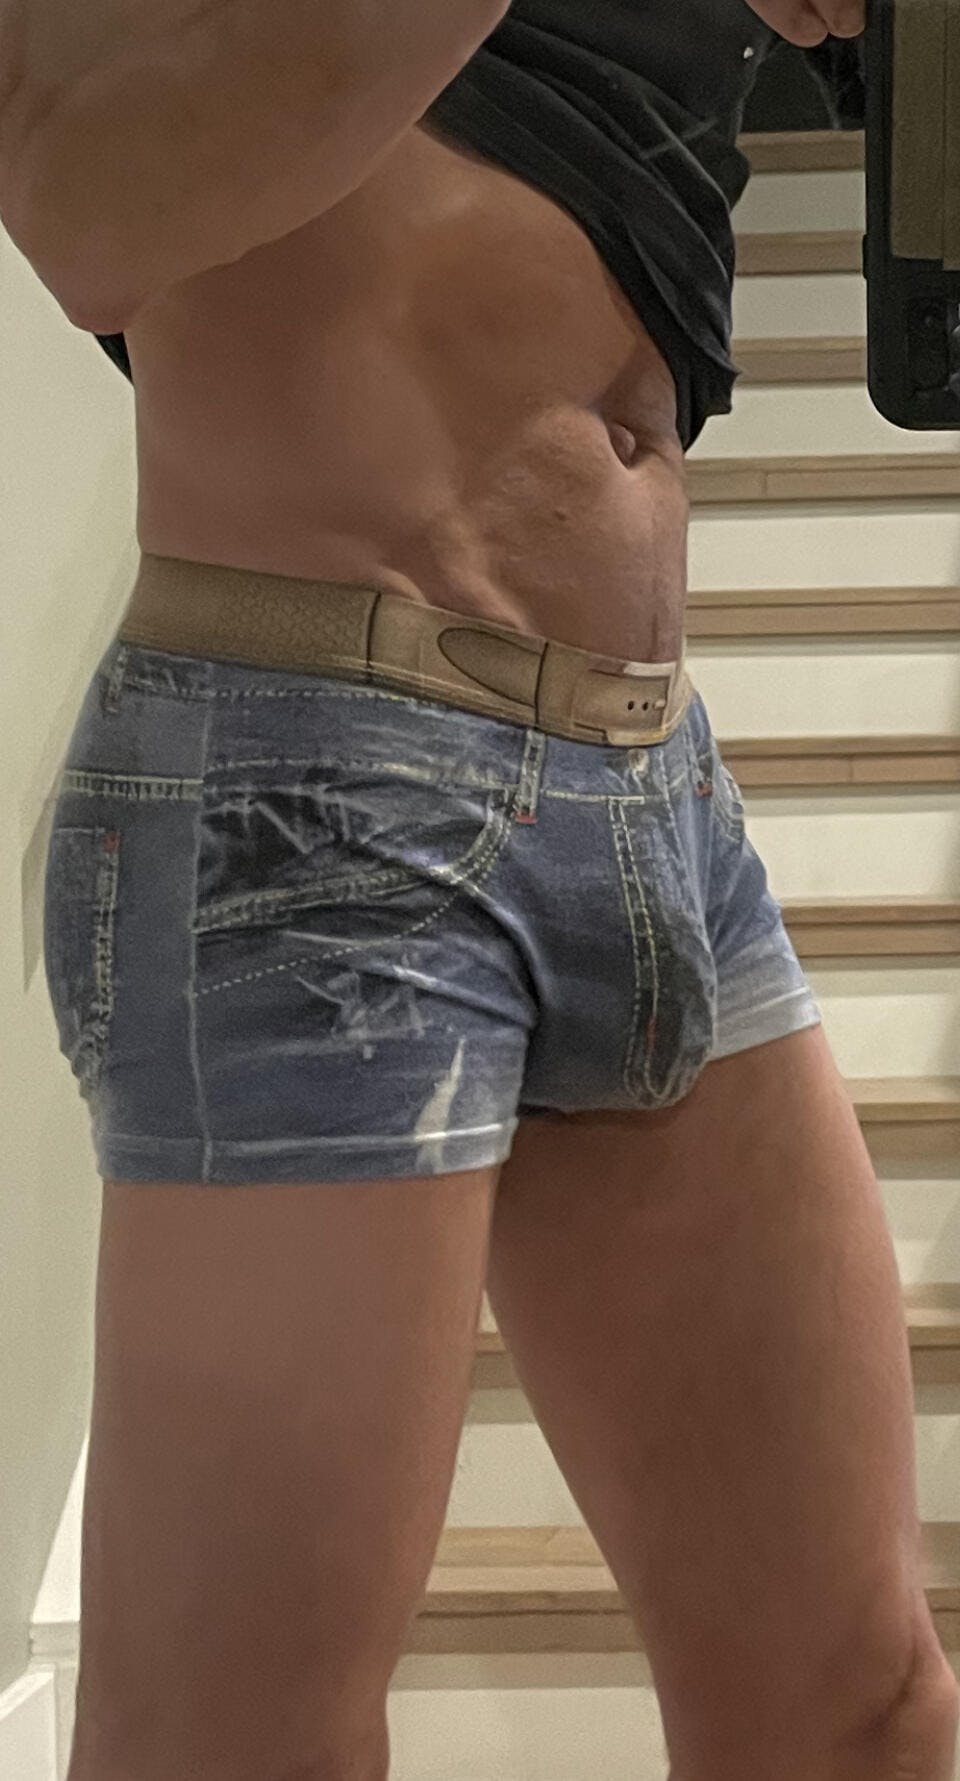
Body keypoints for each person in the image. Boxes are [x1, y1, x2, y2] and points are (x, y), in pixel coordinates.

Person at [8, 0, 957, 1774]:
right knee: (234, 1749)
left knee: (863, 1713)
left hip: (651, 777)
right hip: (311, 770)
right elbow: (77, 195)